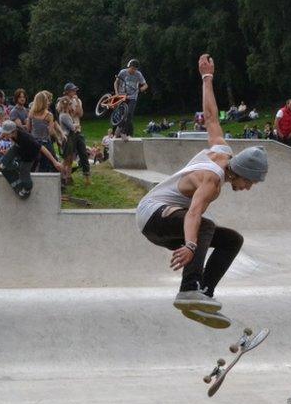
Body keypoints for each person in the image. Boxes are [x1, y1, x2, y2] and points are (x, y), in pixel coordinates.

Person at [136, 54, 268, 328]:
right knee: (205, 226)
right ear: (243, 173)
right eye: (251, 182)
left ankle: (203, 294)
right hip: (153, 214)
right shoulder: (212, 180)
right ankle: (189, 290)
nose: (249, 188)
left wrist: (207, 78)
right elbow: (194, 213)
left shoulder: (221, 149)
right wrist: (190, 245)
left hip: (166, 218)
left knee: (232, 240)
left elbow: (210, 117)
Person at [0, 120, 66, 197]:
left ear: (13, 132)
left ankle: (27, 188)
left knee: (24, 173)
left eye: (6, 134)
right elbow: (3, 134)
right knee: (5, 161)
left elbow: (42, 148)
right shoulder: (13, 130)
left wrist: (55, 162)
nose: (5, 136)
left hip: (30, 157)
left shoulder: (27, 138)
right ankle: (11, 164)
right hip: (18, 148)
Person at [61, 83, 90, 185]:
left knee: (83, 152)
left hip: (78, 131)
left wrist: (77, 101)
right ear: (67, 91)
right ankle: (64, 177)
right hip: (69, 131)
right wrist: (72, 109)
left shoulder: (77, 101)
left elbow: (80, 114)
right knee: (68, 157)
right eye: (73, 90)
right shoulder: (62, 101)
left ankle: (86, 176)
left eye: (75, 90)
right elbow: (69, 114)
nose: (75, 92)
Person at [113, 59, 148, 137]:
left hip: (132, 97)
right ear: (129, 67)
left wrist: (142, 88)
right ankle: (118, 130)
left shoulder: (138, 74)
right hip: (122, 96)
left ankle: (123, 132)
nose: (133, 71)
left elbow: (145, 85)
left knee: (129, 114)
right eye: (132, 68)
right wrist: (116, 93)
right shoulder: (123, 72)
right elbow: (116, 82)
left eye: (135, 69)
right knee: (121, 114)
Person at [28, 90, 60, 173]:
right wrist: (58, 139)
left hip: (34, 142)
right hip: (45, 142)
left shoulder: (31, 113)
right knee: (49, 163)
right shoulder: (49, 115)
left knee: (33, 165)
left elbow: (28, 128)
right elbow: (51, 131)